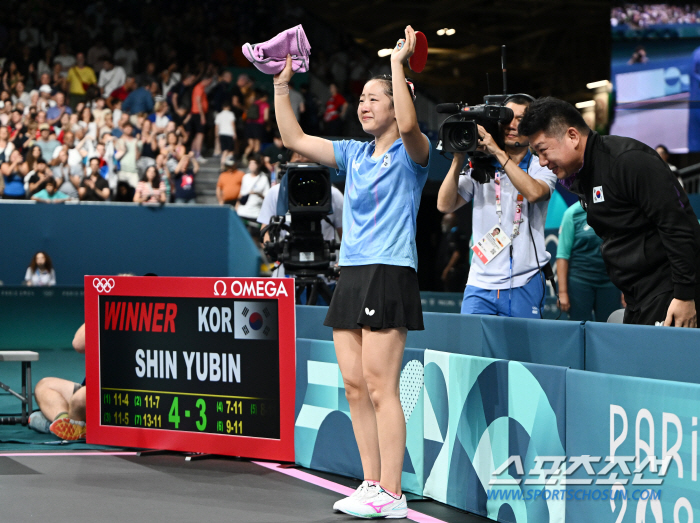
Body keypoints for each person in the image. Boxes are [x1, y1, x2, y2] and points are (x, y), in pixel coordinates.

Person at [273, 26, 430, 518]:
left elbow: (409, 127)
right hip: (353, 272)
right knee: (355, 385)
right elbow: (293, 137)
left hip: (389, 270)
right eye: (361, 99)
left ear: (398, 101)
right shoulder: (355, 154)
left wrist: (399, 65)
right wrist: (281, 83)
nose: (363, 105)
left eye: (374, 98)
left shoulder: (412, 154)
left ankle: (393, 492)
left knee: (383, 385)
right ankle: (371, 483)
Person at [519, 96, 700, 327]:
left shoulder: (629, 161)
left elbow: (678, 226)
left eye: (543, 150)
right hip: (638, 294)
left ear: (572, 136)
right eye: (536, 154)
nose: (542, 162)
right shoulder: (582, 175)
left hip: (669, 291)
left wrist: (685, 295)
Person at [437, 94, 557, 318]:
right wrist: (458, 158)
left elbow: (534, 193)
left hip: (525, 280)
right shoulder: (480, 165)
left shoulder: (541, 163)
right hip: (479, 283)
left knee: (521, 354)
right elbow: (444, 204)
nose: (512, 125)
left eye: (520, 118)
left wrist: (498, 152)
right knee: (472, 353)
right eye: (508, 118)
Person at [556, 202, 622, 321]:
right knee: (580, 329)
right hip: (580, 282)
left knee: (609, 330)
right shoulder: (572, 213)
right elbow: (562, 255)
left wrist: (626, 290)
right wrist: (562, 292)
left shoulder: (613, 209)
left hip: (610, 282)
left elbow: (622, 251)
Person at [29, 324, 86, 440]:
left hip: (110, 391)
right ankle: (64, 421)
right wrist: (98, 309)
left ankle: (54, 425)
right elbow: (79, 342)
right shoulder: (106, 311)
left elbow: (79, 346)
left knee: (79, 399)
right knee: (44, 386)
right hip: (90, 386)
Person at [236, 155, 270, 238]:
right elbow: (241, 193)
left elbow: (267, 197)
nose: (251, 166)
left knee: (255, 237)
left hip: (255, 213)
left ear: (258, 165)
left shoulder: (263, 178)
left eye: (254, 164)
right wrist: (237, 207)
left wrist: (257, 194)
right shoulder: (245, 177)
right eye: (250, 163)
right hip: (243, 211)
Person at [436, 213, 470, 293]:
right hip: (461, 270)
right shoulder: (460, 233)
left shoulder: (454, 234)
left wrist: (447, 270)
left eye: (445, 221)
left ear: (451, 222)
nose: (443, 223)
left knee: (452, 293)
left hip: (454, 272)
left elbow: (457, 253)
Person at [215, 100, 236, 167]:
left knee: (224, 150)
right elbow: (232, 124)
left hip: (221, 134)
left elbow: (216, 126)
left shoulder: (219, 115)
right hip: (229, 134)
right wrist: (234, 133)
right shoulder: (231, 114)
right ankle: (228, 165)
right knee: (230, 151)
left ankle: (223, 165)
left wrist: (216, 135)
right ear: (229, 107)